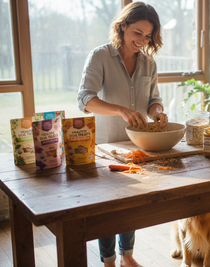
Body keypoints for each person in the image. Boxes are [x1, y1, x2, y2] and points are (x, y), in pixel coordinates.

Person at [77, 2, 167, 266]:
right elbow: (85, 99)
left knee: (131, 203)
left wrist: (157, 111)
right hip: (106, 146)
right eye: (137, 32)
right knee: (106, 206)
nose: (142, 40)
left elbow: (154, 98)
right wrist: (121, 110)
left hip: (136, 146)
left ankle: (127, 256)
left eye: (148, 35)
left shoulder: (149, 63)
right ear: (123, 26)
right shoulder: (100, 56)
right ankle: (107, 260)